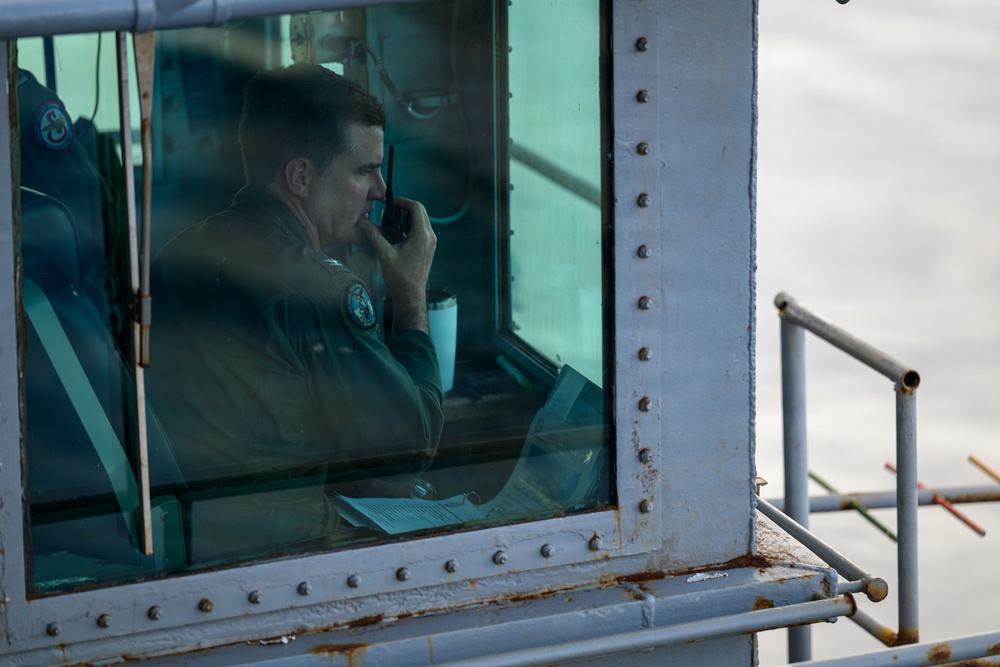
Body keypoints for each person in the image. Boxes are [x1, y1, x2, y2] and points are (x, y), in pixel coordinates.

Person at [148, 64, 444, 562]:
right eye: (363, 170)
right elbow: (410, 446)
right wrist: (410, 294)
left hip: (189, 541)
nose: (380, 189)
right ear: (301, 177)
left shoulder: (179, 252)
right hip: (283, 552)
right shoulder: (317, 288)